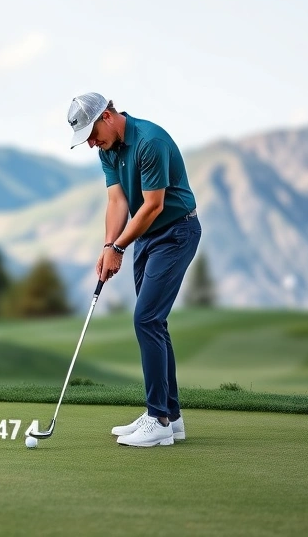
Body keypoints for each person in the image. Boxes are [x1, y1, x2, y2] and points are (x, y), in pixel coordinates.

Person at [67, 92, 201, 448]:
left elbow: (153, 206)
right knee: (154, 321)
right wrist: (108, 245)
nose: (92, 144)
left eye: (93, 134)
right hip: (146, 238)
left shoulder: (150, 142)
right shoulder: (108, 149)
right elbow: (118, 200)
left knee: (146, 320)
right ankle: (170, 418)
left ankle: (156, 418)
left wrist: (119, 247)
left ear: (108, 115)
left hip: (175, 232)